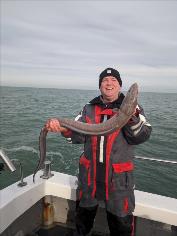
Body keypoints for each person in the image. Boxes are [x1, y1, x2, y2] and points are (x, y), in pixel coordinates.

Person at [45, 68, 152, 236]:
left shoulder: (135, 108)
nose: (109, 83)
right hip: (89, 178)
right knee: (82, 224)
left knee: (121, 227)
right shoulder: (88, 108)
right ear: (100, 86)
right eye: (105, 80)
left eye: (113, 80)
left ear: (120, 85)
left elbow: (141, 136)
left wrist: (132, 118)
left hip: (118, 182)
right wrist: (63, 129)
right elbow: (77, 137)